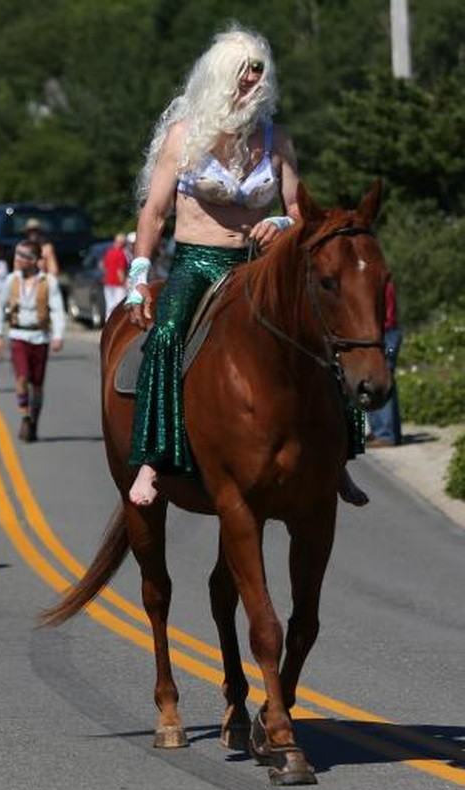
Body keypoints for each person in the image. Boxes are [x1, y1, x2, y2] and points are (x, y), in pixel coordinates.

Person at [123, 24, 368, 507]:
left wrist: (279, 218)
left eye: (259, 73)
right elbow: (153, 213)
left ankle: (338, 457)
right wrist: (137, 275)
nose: (253, 82)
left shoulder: (277, 140)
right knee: (168, 332)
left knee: (323, 334)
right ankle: (151, 458)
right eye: (244, 73)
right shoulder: (183, 138)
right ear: (220, 77)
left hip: (258, 264)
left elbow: (301, 210)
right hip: (198, 260)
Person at [0, 240, 66, 442]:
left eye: (21, 256)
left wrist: (58, 335)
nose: (17, 259)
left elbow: (57, 310)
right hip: (18, 335)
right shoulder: (11, 280)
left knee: (37, 384)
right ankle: (25, 416)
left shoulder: (48, 281)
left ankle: (34, 420)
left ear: (32, 260)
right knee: (22, 378)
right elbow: (0, 307)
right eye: (16, 255)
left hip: (40, 337)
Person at [366, 277, 402, 447]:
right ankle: (386, 432)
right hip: (386, 333)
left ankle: (386, 434)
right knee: (378, 381)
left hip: (385, 333)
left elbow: (384, 314)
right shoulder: (381, 281)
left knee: (381, 382)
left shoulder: (379, 283)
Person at [102, 233, 130, 320]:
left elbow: (103, 265)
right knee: (119, 306)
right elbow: (120, 271)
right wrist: (124, 283)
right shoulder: (121, 254)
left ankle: (108, 323)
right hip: (118, 284)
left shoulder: (109, 252)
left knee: (109, 305)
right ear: (122, 243)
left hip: (108, 282)